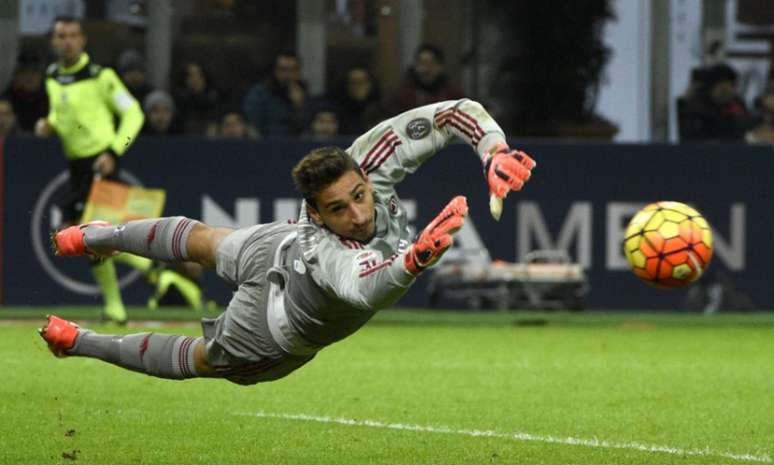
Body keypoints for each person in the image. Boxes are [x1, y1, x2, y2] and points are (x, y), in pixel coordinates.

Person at [39, 98, 535, 385]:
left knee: (208, 241)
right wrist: (415, 260)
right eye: (339, 209)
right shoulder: (325, 247)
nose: (359, 215)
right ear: (315, 213)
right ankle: (93, 270)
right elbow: (365, 289)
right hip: (274, 324)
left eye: (360, 195)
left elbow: (456, 113)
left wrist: (493, 152)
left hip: (283, 281)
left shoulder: (367, 158)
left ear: (364, 174)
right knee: (205, 353)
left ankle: (86, 292)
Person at [34, 16, 145, 323]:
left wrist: (114, 150)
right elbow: (60, 114)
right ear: (54, 41)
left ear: (82, 40)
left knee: (87, 236)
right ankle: (153, 271)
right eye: (61, 36)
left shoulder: (101, 76)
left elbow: (134, 114)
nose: (66, 41)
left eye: (72, 35)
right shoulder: (53, 75)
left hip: (101, 162)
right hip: (76, 166)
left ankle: (117, 305)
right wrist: (49, 124)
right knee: (80, 237)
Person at [678, 63, 754, 141]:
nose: (728, 92)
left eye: (731, 86)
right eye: (722, 88)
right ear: (711, 87)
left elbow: (746, 127)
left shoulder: (736, 104)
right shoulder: (697, 106)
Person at [242, 50, 308, 136]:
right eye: (283, 70)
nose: (288, 75)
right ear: (275, 70)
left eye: (292, 70)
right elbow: (253, 126)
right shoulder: (260, 93)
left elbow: (306, 129)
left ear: (298, 71)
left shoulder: (303, 93)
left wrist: (299, 107)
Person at [390, 44, 464, 115]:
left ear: (441, 67)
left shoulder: (454, 98)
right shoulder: (402, 98)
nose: (426, 69)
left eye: (431, 64)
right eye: (422, 63)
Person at [2, 50, 49, 133]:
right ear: (16, 76)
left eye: (34, 72)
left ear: (41, 76)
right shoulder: (7, 99)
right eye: (24, 72)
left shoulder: (49, 99)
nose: (29, 77)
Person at [334, 66, 385, 135]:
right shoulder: (337, 110)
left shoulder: (381, 109)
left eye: (362, 83)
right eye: (353, 83)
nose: (358, 87)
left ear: (371, 84)